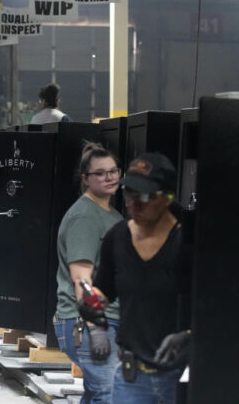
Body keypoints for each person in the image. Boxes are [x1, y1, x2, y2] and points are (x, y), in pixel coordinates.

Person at [80, 153, 191, 404]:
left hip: (180, 375)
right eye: (129, 194)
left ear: (167, 198)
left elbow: (216, 303)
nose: (133, 205)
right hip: (132, 378)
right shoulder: (117, 238)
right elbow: (104, 290)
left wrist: (189, 334)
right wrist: (90, 305)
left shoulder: (189, 241)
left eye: (143, 197)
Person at [53, 143, 124, 404]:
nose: (109, 177)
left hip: (108, 321)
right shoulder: (84, 217)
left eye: (114, 171)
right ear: (85, 179)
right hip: (87, 323)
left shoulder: (111, 214)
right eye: (100, 173)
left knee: (99, 394)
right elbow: (81, 277)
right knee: (111, 395)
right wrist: (96, 327)